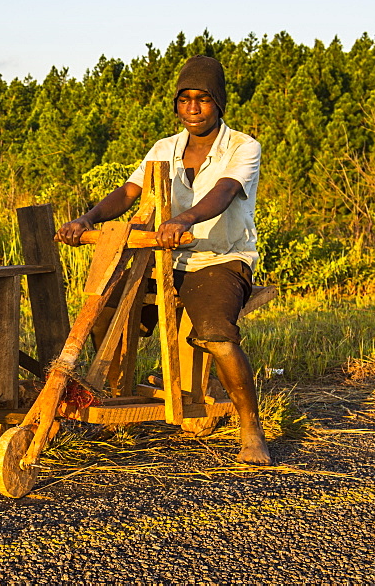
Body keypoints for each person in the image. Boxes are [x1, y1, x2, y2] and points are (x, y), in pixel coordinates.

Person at [56, 55, 272, 465]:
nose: (193, 107)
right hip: (163, 257)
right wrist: (85, 219)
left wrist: (184, 219)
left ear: (219, 103)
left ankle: (251, 426)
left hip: (219, 259)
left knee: (216, 335)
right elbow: (128, 192)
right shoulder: (165, 148)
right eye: (185, 99)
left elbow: (225, 191)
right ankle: (115, 398)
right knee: (104, 307)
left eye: (203, 99)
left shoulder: (243, 148)